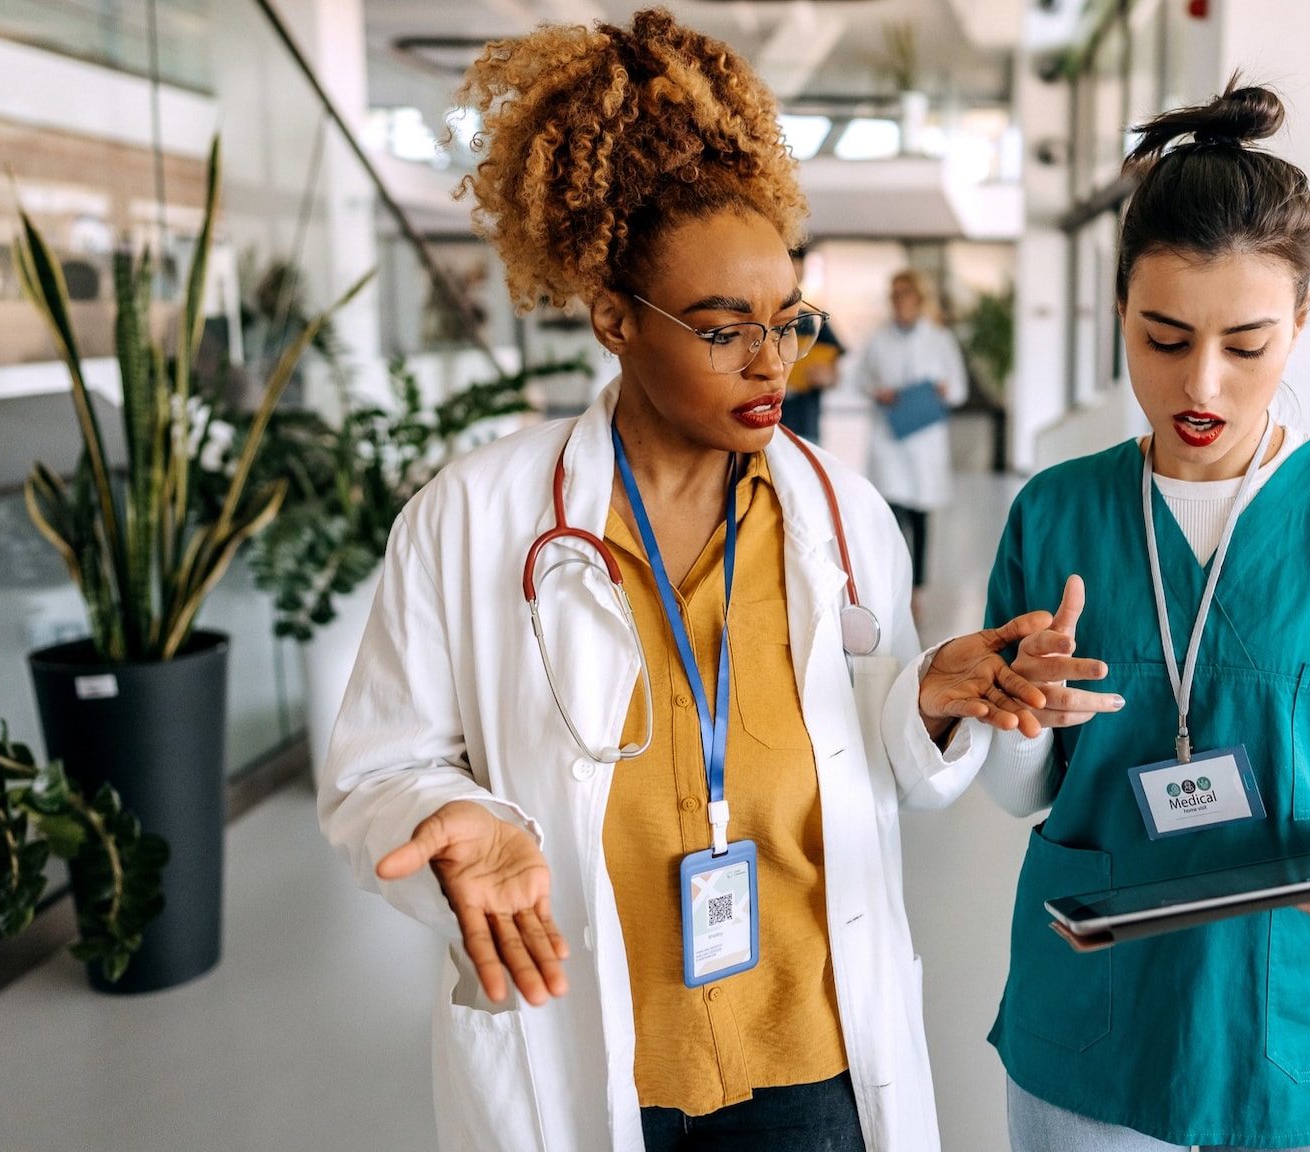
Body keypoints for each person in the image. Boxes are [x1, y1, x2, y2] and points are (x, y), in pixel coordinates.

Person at [317, 12, 1093, 1151]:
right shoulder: (472, 519)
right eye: (724, 329)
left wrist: (928, 698)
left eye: (787, 323)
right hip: (591, 1047)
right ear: (615, 320)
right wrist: (453, 814)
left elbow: (884, 769)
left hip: (810, 1049)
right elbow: (383, 764)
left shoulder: (843, 516)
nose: (771, 363)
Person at [947, 82, 1310, 1151]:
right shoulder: (1057, 510)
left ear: (1298, 322)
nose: (1198, 382)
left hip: (1300, 1011)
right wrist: (1022, 719)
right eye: (1162, 338)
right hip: (1093, 1020)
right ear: (1117, 306)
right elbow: (1024, 796)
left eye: (1245, 345)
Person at [851, 270, 967, 588]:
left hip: (924, 441)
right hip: (889, 438)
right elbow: (859, 379)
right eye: (895, 295)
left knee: (920, 517)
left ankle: (917, 587)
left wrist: (944, 390)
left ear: (918, 298)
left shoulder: (939, 339)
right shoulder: (877, 339)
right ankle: (892, 585)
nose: (899, 301)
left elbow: (959, 389)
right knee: (890, 516)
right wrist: (878, 391)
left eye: (905, 294)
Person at [778, 247, 843, 443]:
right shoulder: (762, 319)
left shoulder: (813, 319)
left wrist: (826, 375)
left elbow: (834, 373)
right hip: (769, 426)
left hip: (804, 424)